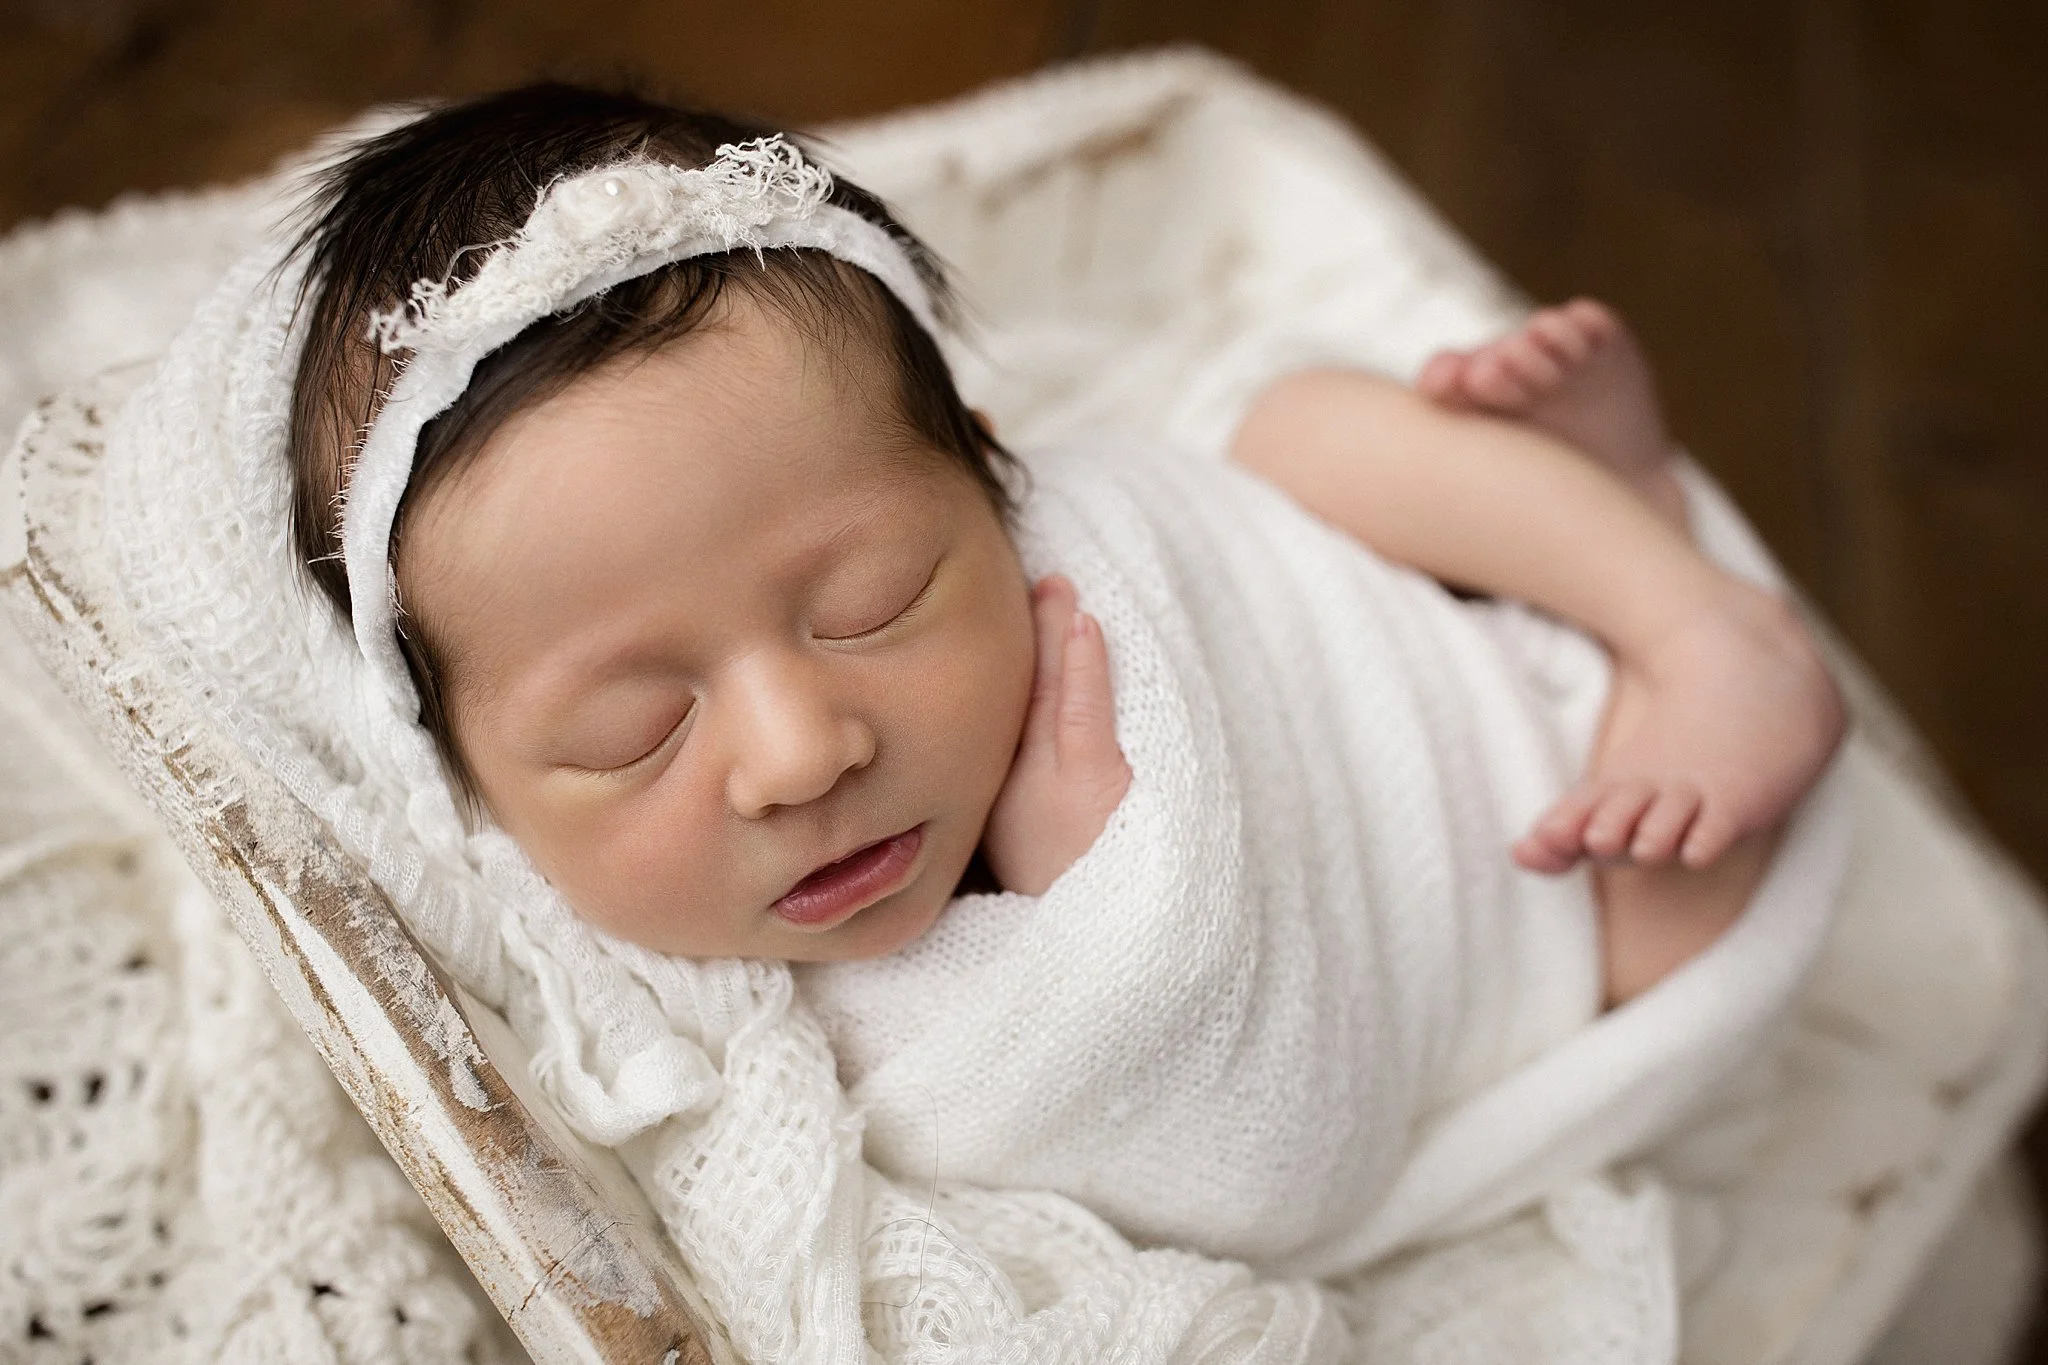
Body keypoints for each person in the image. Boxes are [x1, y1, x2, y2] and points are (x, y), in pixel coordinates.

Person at [284, 83, 1845, 1266]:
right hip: (1552, 848)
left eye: (871, 598)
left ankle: (1672, 603)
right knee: (1678, 913)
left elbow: (1204, 532)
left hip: (1374, 604)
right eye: (633, 732)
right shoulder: (729, 1045)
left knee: (1293, 421)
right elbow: (1284, 1176)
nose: (799, 750)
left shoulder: (1048, 536)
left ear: (983, 467)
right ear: (461, 775)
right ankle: (1620, 532)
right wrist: (1115, 918)